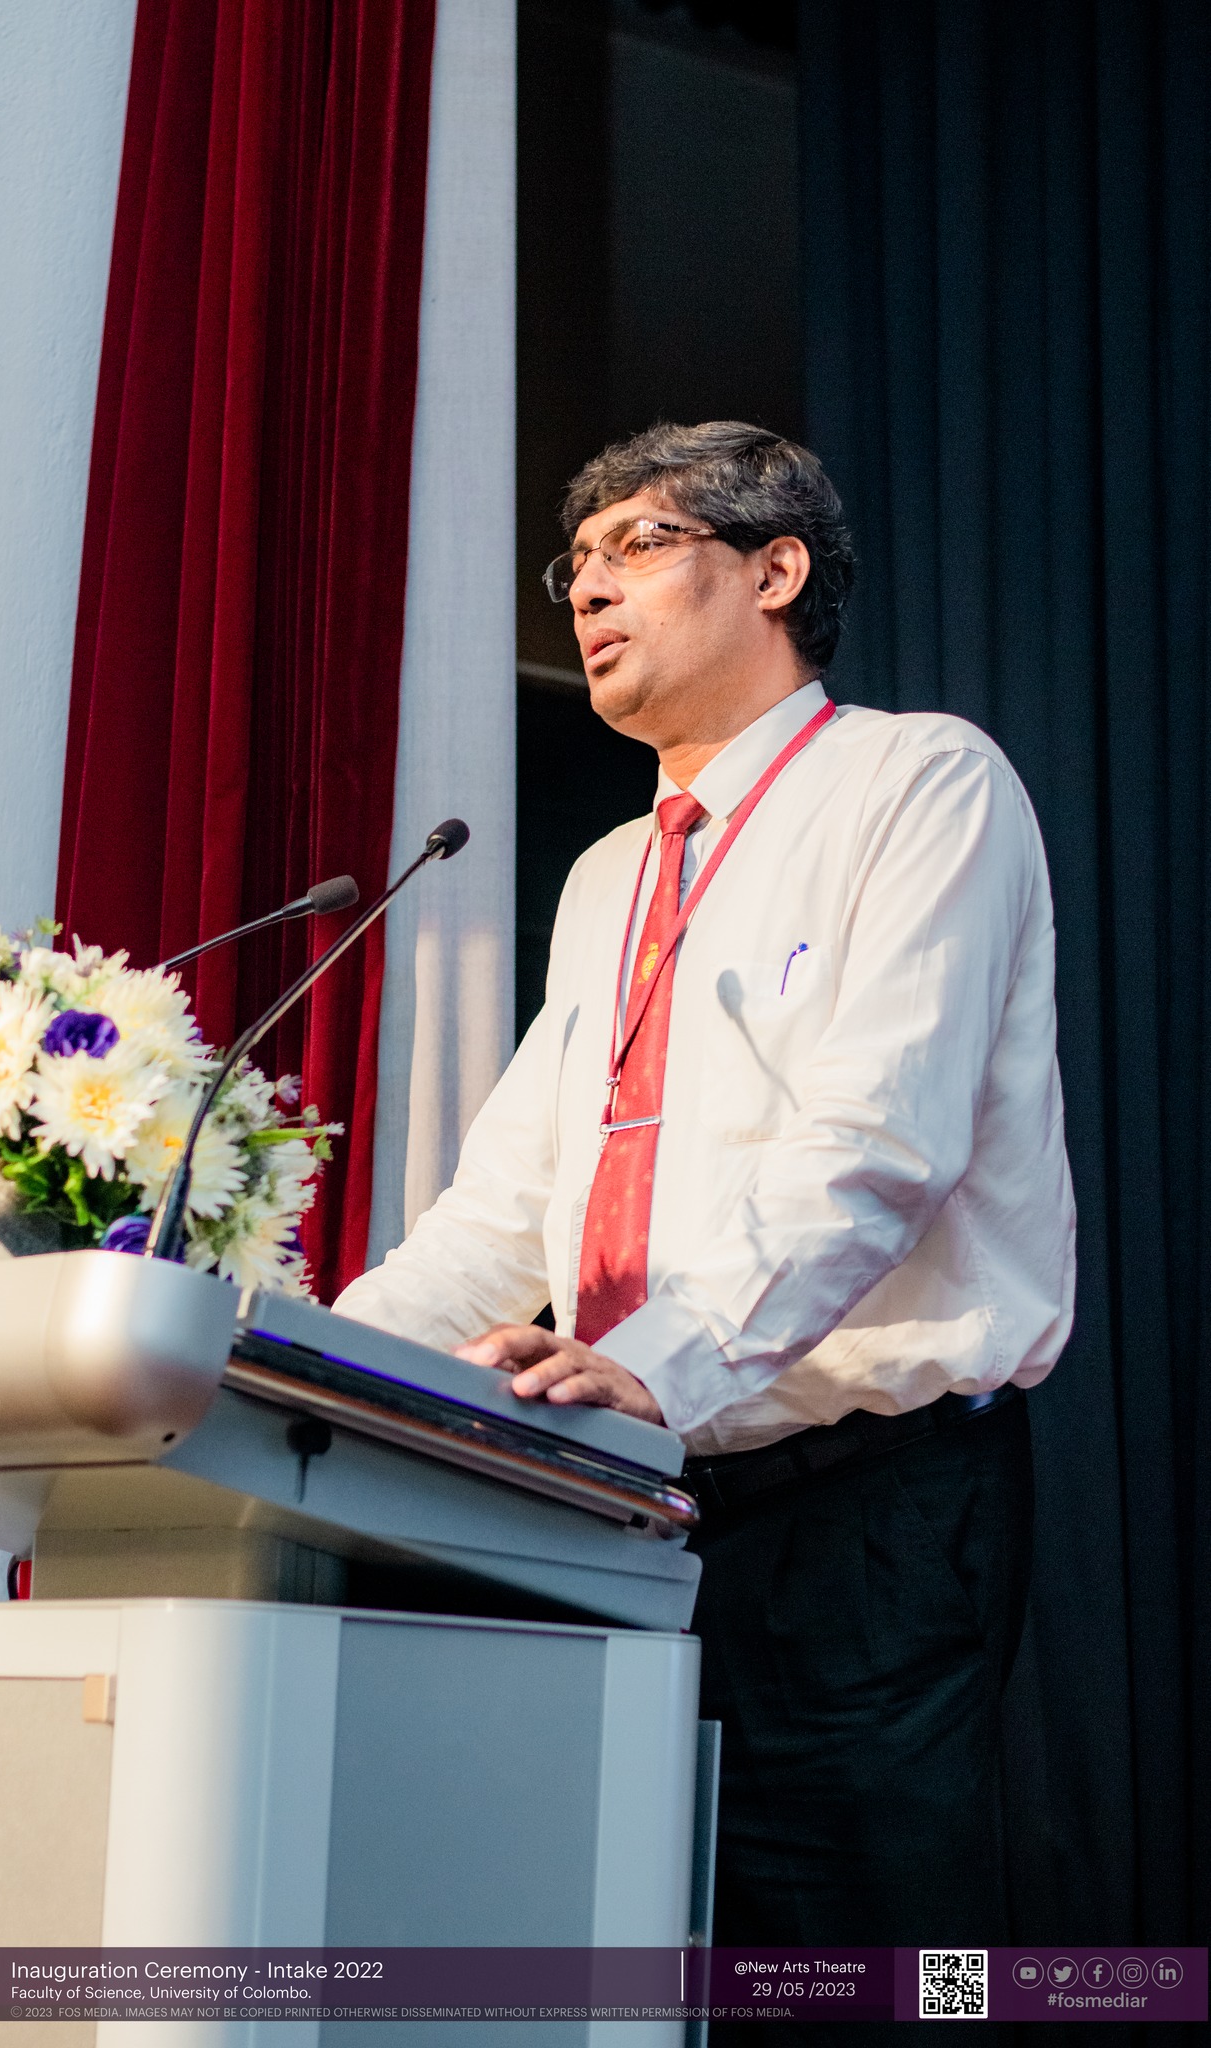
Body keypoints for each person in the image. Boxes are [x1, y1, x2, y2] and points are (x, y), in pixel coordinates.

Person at [334, 420, 1075, 1956]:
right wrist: (297, 1369)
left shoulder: (918, 781)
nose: (586, 592)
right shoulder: (610, 874)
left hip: (861, 1504)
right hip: (627, 1498)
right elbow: (501, 1215)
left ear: (774, 570)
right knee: (660, 1957)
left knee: (877, 1968)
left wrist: (654, 1363)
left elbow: (876, 1146)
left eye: (635, 547)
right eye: (572, 566)